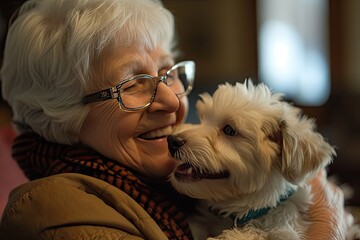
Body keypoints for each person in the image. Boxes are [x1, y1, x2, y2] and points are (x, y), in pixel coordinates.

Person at [0, 0, 349, 239]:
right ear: (64, 111)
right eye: (133, 83)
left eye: (168, 72)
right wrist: (325, 227)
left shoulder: (176, 190)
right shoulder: (58, 213)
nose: (171, 99)